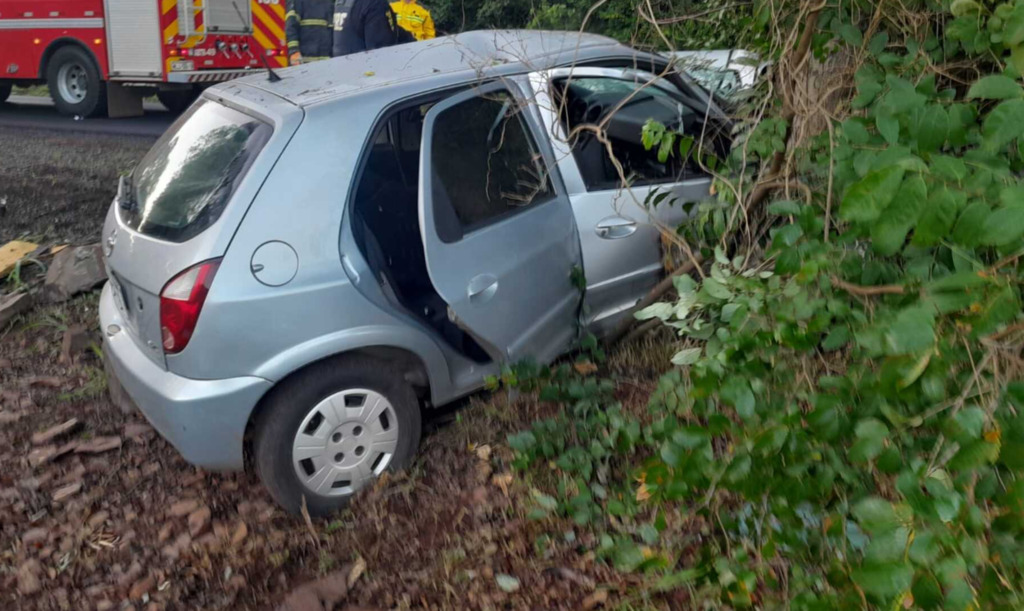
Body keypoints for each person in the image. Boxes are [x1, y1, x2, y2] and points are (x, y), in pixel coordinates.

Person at [333, 0, 414, 57]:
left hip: (344, 73)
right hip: (367, 75)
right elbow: (382, 53)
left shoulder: (343, 3)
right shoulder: (376, 4)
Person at [285, 0, 335, 65]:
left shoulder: (329, 3)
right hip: (303, 62)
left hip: (325, 62)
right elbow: (291, 27)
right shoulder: (298, 2)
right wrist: (294, 51)